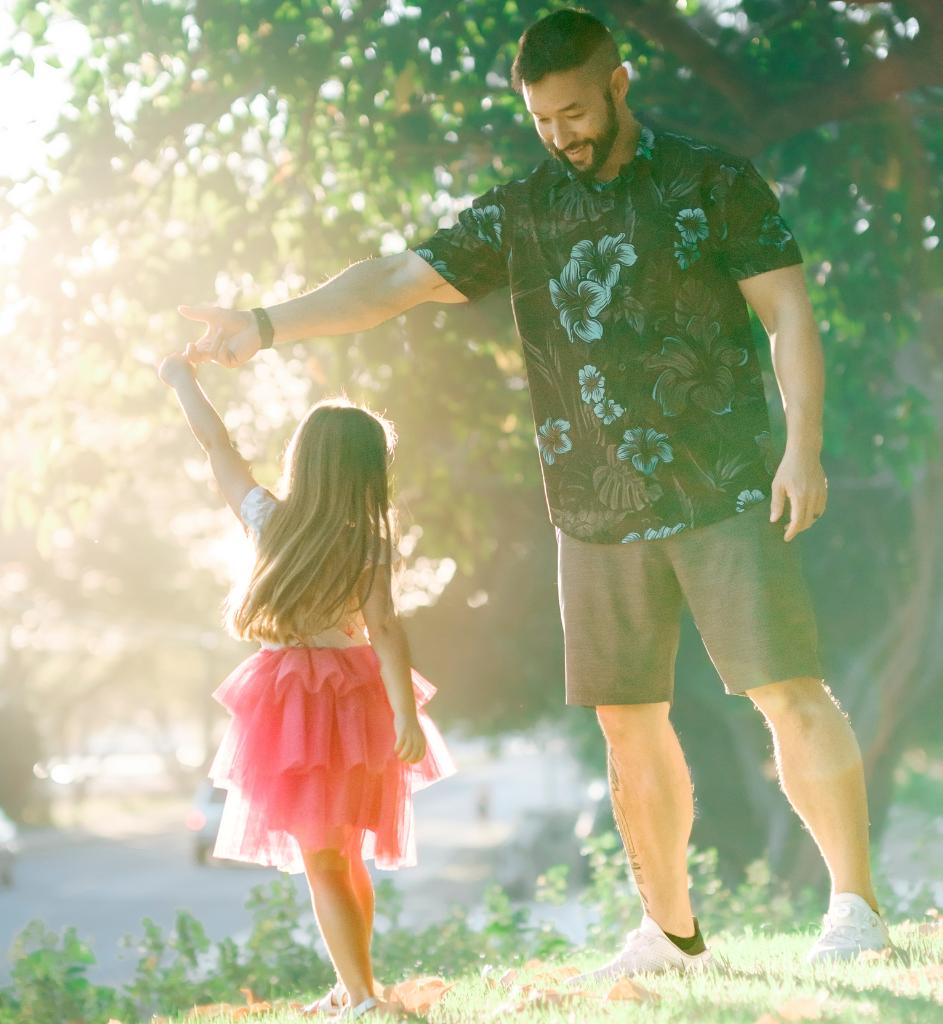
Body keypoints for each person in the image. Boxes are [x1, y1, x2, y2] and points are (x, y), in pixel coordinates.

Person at [178, 9, 891, 980]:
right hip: (592, 511)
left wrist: (799, 447)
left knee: (785, 689)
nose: (562, 133)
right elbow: (392, 280)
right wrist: (261, 324)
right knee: (624, 719)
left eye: (574, 111)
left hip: (721, 484)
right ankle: (671, 932)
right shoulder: (521, 211)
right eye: (543, 120)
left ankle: (854, 908)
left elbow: (787, 313)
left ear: (618, 82)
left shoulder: (710, 182)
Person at [158, 352, 456, 1018]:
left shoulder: (270, 519)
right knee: (340, 854)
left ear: (304, 459)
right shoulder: (368, 541)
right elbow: (386, 634)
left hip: (294, 700)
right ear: (367, 473)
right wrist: (403, 713)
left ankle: (359, 995)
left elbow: (217, 444)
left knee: (327, 856)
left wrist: (182, 379)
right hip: (356, 699)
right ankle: (362, 988)